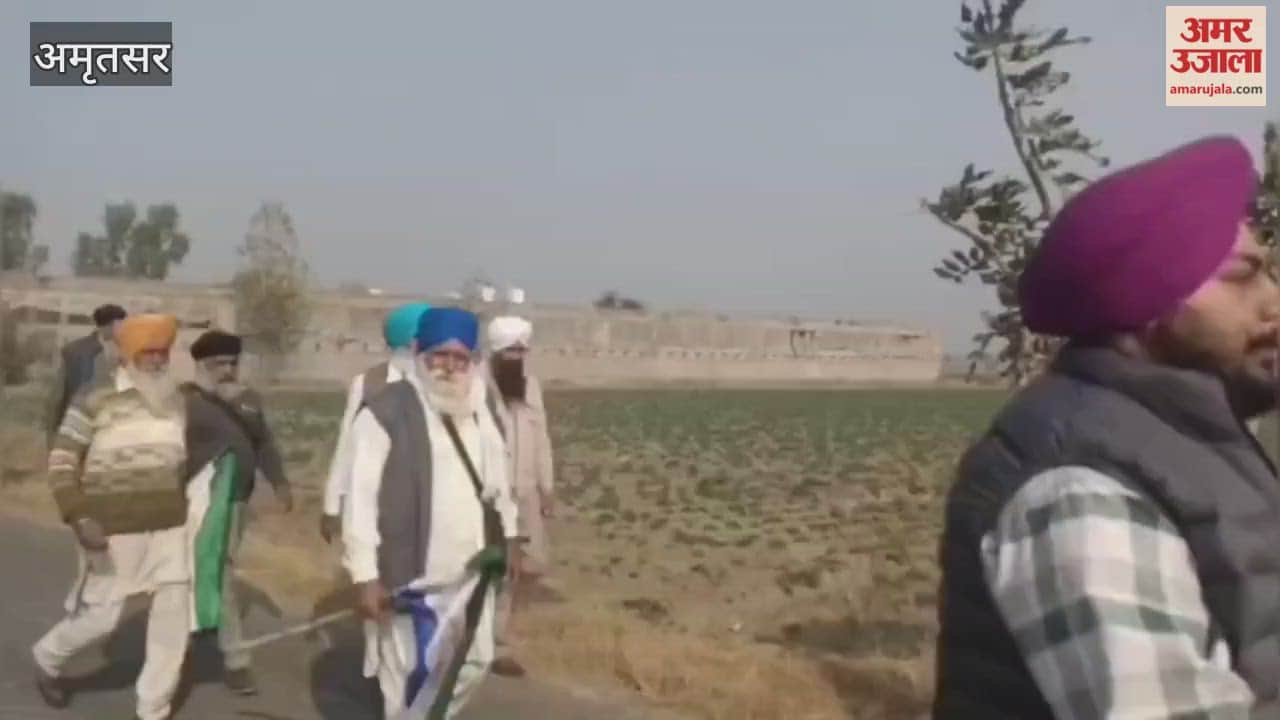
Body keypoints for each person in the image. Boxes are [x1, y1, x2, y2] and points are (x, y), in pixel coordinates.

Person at [934, 136, 1280, 718]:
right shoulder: (1075, 487)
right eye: (1243, 276)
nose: (1273, 301)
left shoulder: (1185, 440)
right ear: (1145, 304)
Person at [343, 307, 519, 719]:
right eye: (440, 355)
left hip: (470, 577)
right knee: (408, 681)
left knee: (472, 665)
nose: (449, 367)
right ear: (419, 351)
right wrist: (366, 576)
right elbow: (361, 501)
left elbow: (500, 485)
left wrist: (510, 537)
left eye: (460, 358)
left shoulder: (482, 411)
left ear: (473, 362)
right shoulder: (385, 412)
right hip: (411, 579)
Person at [33, 313, 191, 720]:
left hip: (169, 525)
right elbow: (62, 461)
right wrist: (79, 516)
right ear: (128, 355)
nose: (157, 360)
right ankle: (48, 658)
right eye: (148, 352)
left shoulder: (177, 400)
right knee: (103, 617)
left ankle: (153, 708)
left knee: (173, 619)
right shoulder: (93, 398)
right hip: (112, 527)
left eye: (162, 352)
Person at [180, 329, 293, 696]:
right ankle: (195, 652)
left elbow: (264, 443)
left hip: (235, 502)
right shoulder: (185, 402)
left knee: (221, 570)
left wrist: (279, 482)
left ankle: (226, 654)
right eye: (218, 364)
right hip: (196, 503)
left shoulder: (249, 401)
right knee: (191, 571)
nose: (226, 370)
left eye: (232, 362)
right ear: (201, 365)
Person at [320, 302, 432, 544]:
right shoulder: (369, 383)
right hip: (377, 499)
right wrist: (332, 505)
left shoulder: (439, 386)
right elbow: (346, 446)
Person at [482, 315, 555, 678]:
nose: (517, 357)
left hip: (524, 493)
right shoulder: (476, 387)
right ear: (496, 352)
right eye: (510, 351)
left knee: (529, 566)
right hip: (488, 497)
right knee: (490, 569)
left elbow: (540, 437)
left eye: (521, 351)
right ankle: (489, 645)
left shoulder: (531, 386)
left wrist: (547, 487)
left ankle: (500, 635)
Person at [44, 303, 127, 445]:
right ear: (107, 326)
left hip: (113, 423)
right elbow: (60, 393)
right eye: (120, 325)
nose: (125, 329)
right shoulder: (75, 351)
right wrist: (53, 433)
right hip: (79, 419)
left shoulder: (128, 351)